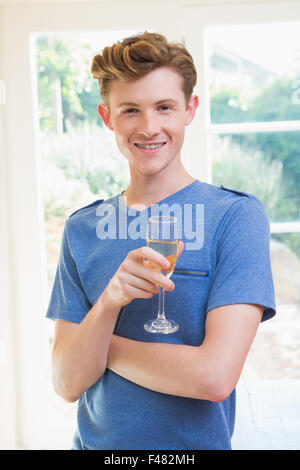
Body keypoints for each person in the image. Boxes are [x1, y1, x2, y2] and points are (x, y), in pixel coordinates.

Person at [46, 32, 276, 450]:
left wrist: (98, 347)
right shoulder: (82, 228)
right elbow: (65, 382)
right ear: (107, 117)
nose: (149, 128)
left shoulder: (235, 217)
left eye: (164, 107)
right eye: (130, 110)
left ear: (190, 110)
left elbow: (214, 377)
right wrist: (110, 300)